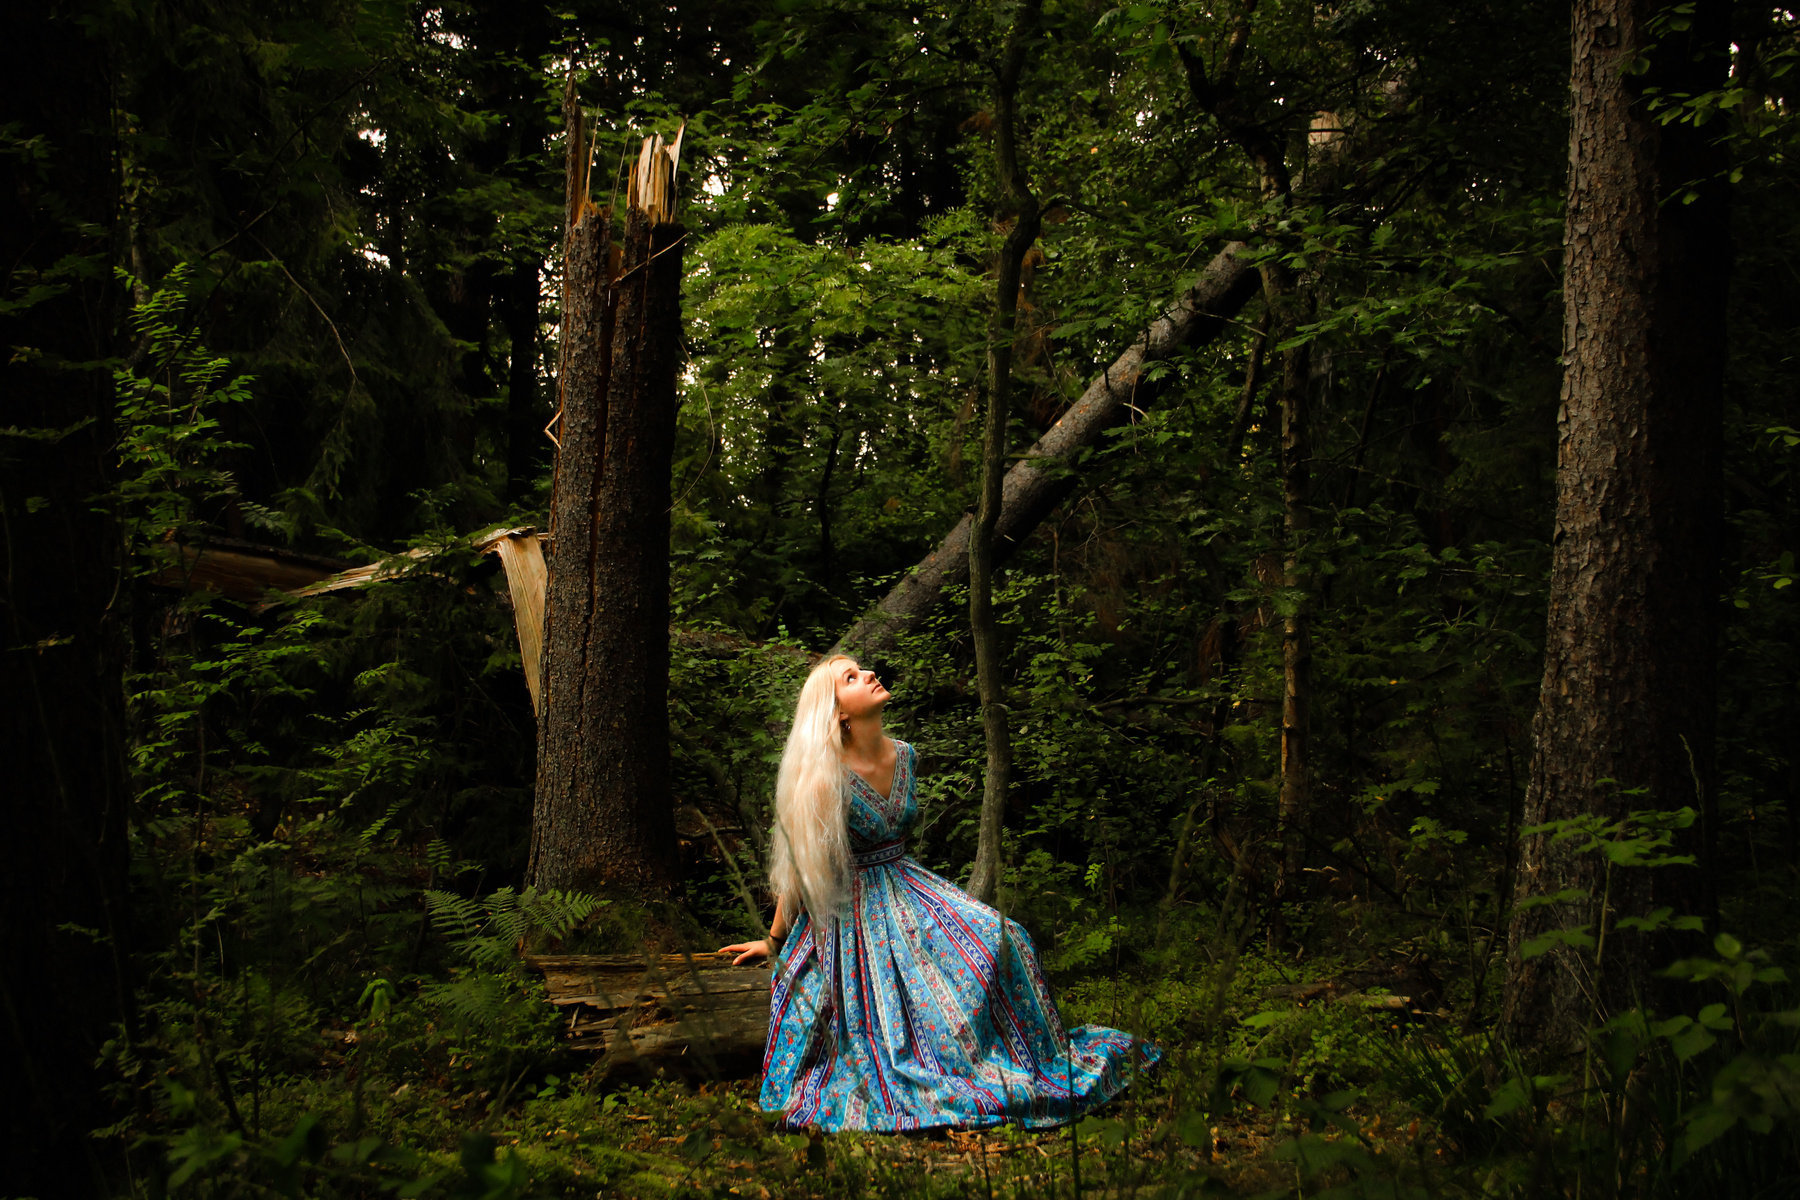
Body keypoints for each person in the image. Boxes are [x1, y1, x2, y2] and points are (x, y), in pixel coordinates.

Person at [718, 655, 1159, 1132]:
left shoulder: (904, 755)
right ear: (838, 711)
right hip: (852, 908)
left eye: (863, 669)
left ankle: (1019, 1055)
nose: (869, 675)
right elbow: (802, 868)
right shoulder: (826, 776)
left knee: (1007, 938)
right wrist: (775, 939)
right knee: (899, 1001)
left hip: (909, 884)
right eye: (851, 677)